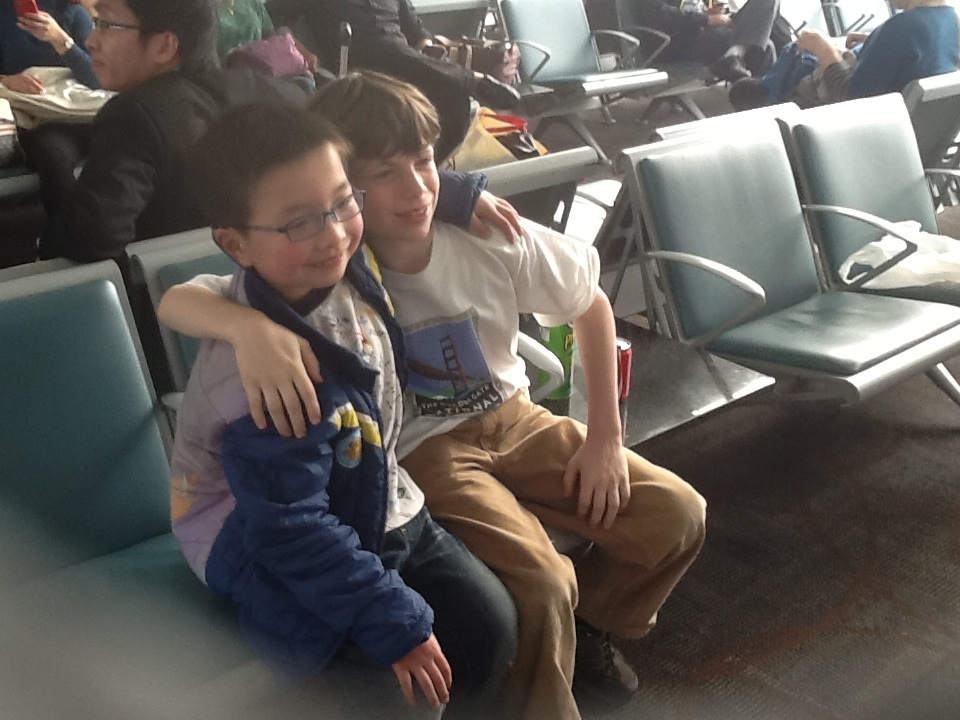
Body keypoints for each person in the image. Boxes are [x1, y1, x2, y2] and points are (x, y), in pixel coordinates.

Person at [160, 70, 707, 720]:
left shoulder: (434, 236)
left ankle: (587, 628)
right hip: (424, 450)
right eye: (383, 174)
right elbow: (184, 298)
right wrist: (248, 328)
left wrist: (606, 438)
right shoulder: (332, 263)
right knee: (541, 583)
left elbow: (586, 301)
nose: (415, 188)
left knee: (677, 515)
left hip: (513, 419)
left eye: (425, 163)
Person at [168, 101, 517, 718]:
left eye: (341, 203)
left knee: (489, 627)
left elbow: (387, 185)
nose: (332, 233)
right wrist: (390, 621)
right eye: (299, 222)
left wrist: (461, 195)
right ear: (235, 244)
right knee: (389, 686)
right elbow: (289, 528)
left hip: (370, 486)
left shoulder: (342, 258)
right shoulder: (267, 383)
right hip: (258, 531)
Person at [266, 0, 521, 162]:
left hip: (407, 66)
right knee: (393, 53)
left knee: (455, 100)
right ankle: (472, 80)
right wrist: (298, 47)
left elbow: (417, 30)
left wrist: (427, 48)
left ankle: (431, 172)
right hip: (356, 71)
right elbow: (271, 15)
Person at [729, 0, 960, 110]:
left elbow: (851, 99)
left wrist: (825, 50)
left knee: (741, 91)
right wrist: (874, 42)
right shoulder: (951, 21)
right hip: (912, 135)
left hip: (829, 119)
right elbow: (915, 59)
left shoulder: (901, 28)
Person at [0, 0, 98, 227]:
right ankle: (68, 232)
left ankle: (71, 233)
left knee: (55, 152)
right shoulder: (3, 13)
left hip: (76, 113)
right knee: (52, 152)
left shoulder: (75, 13)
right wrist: (7, 80)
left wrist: (59, 39)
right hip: (28, 113)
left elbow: (98, 80)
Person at [631, 0, 781, 82]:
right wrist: (707, 19)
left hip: (706, 31)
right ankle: (764, 101)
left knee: (767, 2)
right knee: (765, 46)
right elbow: (659, 16)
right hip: (677, 42)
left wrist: (710, 11)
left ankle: (734, 55)